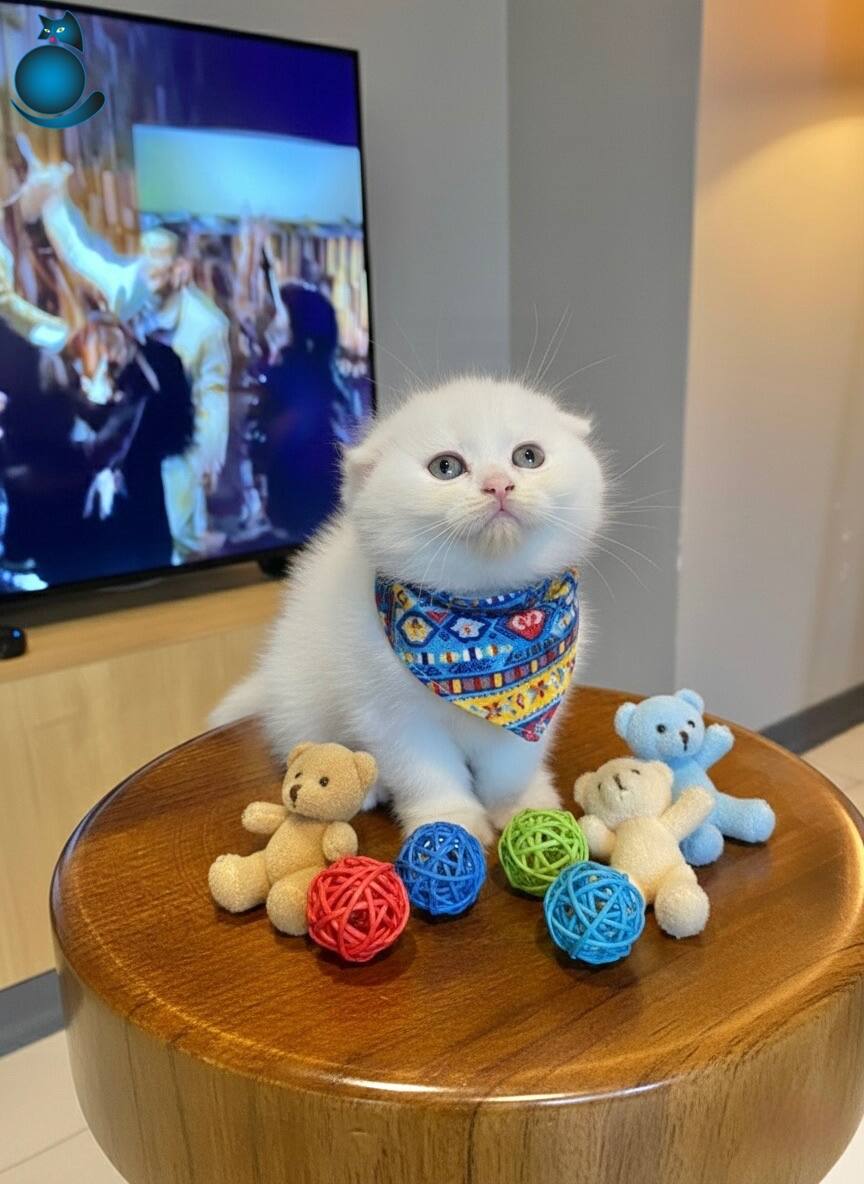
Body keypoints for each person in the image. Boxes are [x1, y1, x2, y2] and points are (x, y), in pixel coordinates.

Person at [17, 144, 231, 564]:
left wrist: (209, 454)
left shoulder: (205, 326)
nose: (147, 265)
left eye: (158, 258)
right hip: (131, 461)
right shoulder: (129, 289)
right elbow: (78, 253)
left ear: (180, 268)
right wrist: (53, 200)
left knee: (174, 538)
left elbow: (212, 395)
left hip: (174, 456)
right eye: (144, 254)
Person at [255, 281, 363, 540]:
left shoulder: (293, 373)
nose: (266, 319)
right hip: (325, 498)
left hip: (300, 493)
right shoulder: (329, 374)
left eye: (276, 312)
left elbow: (282, 432)